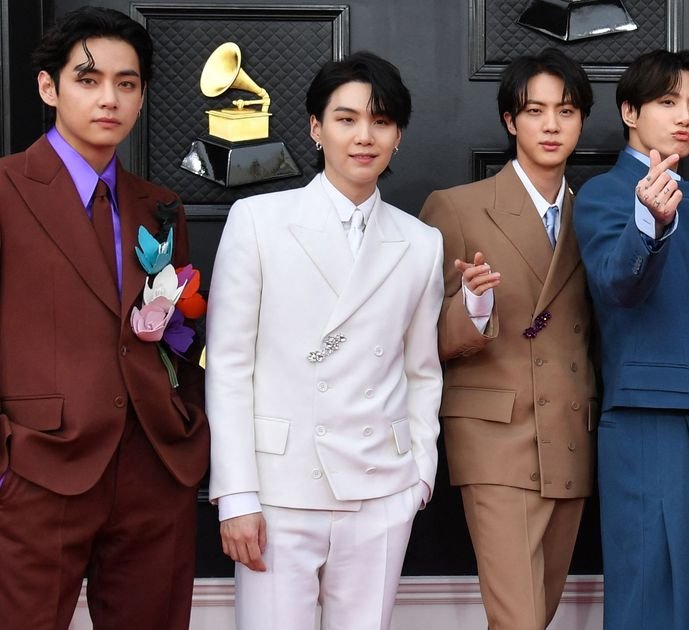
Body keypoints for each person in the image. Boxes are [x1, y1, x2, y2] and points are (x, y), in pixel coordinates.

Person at [205, 51, 442, 630]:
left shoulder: (421, 242)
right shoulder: (257, 220)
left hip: (381, 488)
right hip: (279, 491)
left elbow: (421, 371)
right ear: (316, 128)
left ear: (398, 137)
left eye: (381, 122)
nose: (364, 136)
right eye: (346, 119)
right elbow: (230, 367)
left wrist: (420, 475)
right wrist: (236, 494)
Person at [0, 7, 208, 629]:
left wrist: (185, 424)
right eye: (88, 80)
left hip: (155, 468)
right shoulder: (6, 189)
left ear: (141, 96)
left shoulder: (161, 206)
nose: (109, 98)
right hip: (36, 467)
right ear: (49, 87)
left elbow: (178, 333)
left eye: (126, 83)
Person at [418, 47, 596, 629]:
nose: (551, 125)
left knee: (537, 616)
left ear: (581, 120)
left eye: (565, 111)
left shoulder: (595, 216)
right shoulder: (457, 208)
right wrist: (473, 306)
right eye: (535, 111)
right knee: (518, 619)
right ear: (509, 120)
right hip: (496, 438)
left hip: (570, 433)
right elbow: (419, 338)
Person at [573, 48, 689, 630]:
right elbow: (617, 283)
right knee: (651, 594)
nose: (684, 116)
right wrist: (650, 222)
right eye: (668, 102)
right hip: (647, 417)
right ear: (629, 112)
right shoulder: (604, 194)